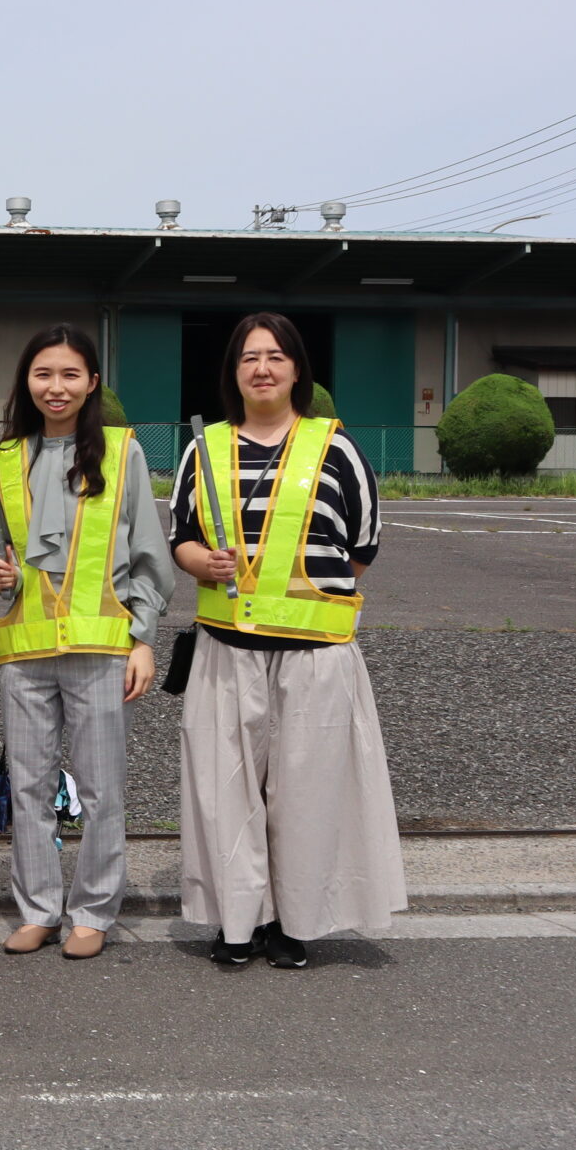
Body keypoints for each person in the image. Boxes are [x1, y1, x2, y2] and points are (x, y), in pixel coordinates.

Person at [168, 312, 405, 969]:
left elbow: (361, 547)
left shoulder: (340, 449)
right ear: (233, 372)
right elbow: (179, 534)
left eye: (275, 356)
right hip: (225, 647)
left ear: (298, 369)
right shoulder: (203, 449)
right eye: (249, 358)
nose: (262, 368)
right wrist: (199, 563)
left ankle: (294, 924)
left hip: (315, 653)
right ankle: (235, 923)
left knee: (307, 794)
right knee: (224, 792)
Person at [0, 325, 175, 959]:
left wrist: (142, 639)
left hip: (100, 649)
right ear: (26, 382)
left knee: (100, 788)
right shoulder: (6, 458)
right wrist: (3, 577)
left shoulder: (123, 454)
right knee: (29, 786)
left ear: (92, 382)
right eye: (43, 375)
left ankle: (92, 912)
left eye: (70, 375)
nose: (55, 387)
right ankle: (38, 908)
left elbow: (150, 558)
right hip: (28, 647)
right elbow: (0, 551)